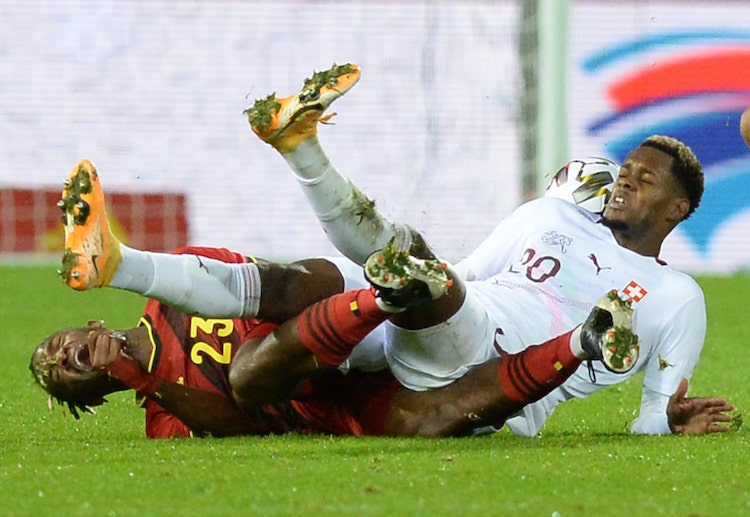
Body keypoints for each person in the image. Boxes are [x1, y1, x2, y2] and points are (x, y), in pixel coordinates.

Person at [241, 62, 735, 436]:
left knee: (409, 273)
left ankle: (303, 150)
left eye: (644, 180)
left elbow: (654, 415)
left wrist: (670, 421)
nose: (624, 183)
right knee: (298, 292)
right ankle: (199, 274)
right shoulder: (551, 216)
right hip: (452, 329)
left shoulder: (677, 296)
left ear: (677, 209)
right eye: (624, 173)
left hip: (496, 393)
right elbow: (468, 276)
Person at [33, 160, 648, 438]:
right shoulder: (163, 415)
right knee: (253, 377)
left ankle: (121, 263)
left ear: (88, 323)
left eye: (57, 345)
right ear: (91, 399)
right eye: (61, 373)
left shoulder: (175, 291)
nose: (64, 356)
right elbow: (233, 420)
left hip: (340, 310)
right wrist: (144, 380)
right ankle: (579, 340)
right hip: (329, 388)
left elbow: (263, 278)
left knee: (293, 292)